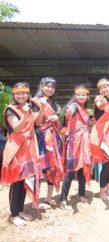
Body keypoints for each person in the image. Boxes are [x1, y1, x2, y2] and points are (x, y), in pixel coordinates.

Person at [1, 82, 43, 226]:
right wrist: (25, 113)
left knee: (25, 180)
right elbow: (17, 129)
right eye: (18, 93)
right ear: (14, 94)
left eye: (24, 93)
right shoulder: (10, 110)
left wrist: (40, 108)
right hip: (15, 150)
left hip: (28, 149)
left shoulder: (29, 108)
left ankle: (19, 211)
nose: (21, 96)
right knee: (16, 182)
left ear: (28, 94)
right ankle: (13, 214)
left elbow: (34, 126)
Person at [32, 77, 64, 208]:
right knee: (38, 169)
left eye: (52, 87)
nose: (50, 89)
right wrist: (43, 108)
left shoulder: (55, 105)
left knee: (53, 168)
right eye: (47, 86)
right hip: (39, 138)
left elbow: (60, 126)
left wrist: (56, 118)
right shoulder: (34, 102)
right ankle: (35, 201)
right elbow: (36, 123)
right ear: (41, 86)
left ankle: (48, 198)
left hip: (54, 139)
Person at [60, 85, 91, 209]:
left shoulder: (85, 108)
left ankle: (81, 194)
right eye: (78, 94)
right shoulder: (74, 106)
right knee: (70, 171)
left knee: (82, 169)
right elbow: (68, 114)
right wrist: (69, 113)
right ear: (75, 95)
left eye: (83, 94)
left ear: (87, 96)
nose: (81, 96)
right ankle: (63, 200)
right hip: (74, 142)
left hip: (84, 141)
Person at [90, 78, 109, 201]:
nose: (104, 89)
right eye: (101, 88)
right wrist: (102, 102)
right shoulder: (99, 99)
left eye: (106, 87)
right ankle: (102, 192)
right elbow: (100, 105)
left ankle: (108, 190)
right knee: (106, 164)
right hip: (100, 135)